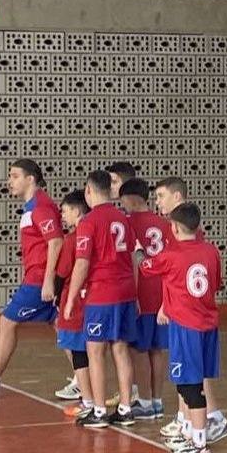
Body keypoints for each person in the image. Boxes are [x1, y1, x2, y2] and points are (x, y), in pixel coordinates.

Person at [0, 159, 62, 398]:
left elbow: (56, 242)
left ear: (31, 179)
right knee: (61, 327)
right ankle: (83, 379)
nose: (10, 181)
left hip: (39, 280)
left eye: (15, 176)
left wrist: (48, 280)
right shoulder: (31, 208)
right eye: (10, 176)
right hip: (37, 277)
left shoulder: (41, 207)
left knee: (8, 321)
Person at [140, 202, 222, 453]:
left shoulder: (171, 255)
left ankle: (199, 444)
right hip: (208, 324)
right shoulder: (211, 251)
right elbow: (216, 283)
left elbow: (146, 268)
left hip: (186, 326)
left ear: (174, 228)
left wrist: (138, 252)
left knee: (189, 385)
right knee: (195, 381)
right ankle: (191, 434)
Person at [153, 176, 227, 444]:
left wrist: (166, 304)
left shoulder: (185, 234)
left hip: (189, 315)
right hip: (192, 314)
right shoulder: (191, 236)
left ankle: (207, 420)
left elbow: (175, 272)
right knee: (189, 372)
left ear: (177, 197)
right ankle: (186, 419)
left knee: (192, 373)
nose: (158, 202)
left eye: (161, 196)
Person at [65, 169, 137, 429]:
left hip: (102, 293)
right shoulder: (123, 218)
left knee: (95, 350)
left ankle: (99, 410)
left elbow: (82, 263)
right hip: (126, 290)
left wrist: (71, 298)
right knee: (120, 348)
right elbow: (132, 255)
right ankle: (126, 408)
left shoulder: (89, 222)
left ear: (88, 190)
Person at [119, 177, 169, 420]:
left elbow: (131, 261)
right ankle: (157, 401)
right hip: (164, 293)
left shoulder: (127, 223)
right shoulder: (165, 224)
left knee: (139, 350)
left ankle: (145, 402)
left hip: (141, 292)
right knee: (157, 349)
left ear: (129, 199)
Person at [54, 190, 94, 419]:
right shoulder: (97, 234)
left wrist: (58, 297)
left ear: (77, 211)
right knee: (94, 352)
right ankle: (95, 400)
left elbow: (62, 272)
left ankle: (88, 400)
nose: (62, 215)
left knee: (79, 353)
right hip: (96, 299)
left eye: (65, 211)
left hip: (76, 301)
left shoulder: (73, 239)